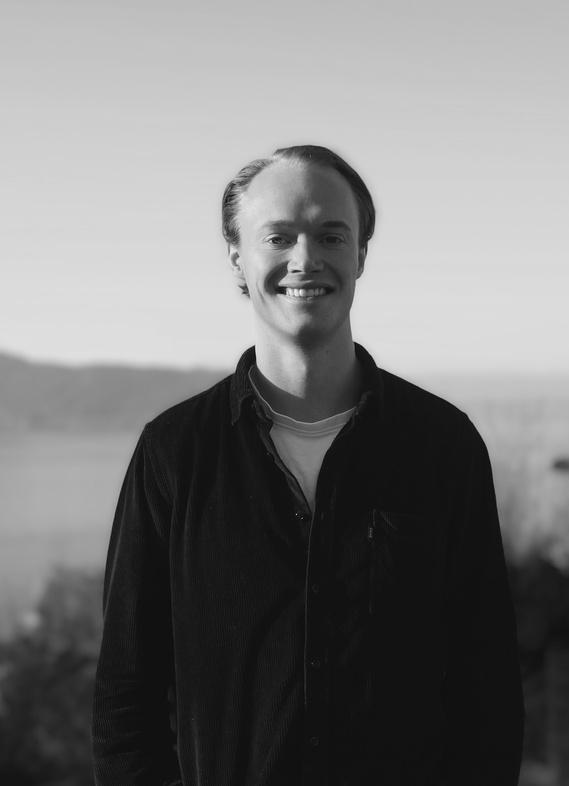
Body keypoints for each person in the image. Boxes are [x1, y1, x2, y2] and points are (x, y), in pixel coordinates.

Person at [92, 145, 524, 786]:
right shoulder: (174, 454)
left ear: (361, 255)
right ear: (237, 257)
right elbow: (126, 696)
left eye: (330, 235)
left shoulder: (443, 446)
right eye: (278, 236)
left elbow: (486, 688)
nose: (305, 258)